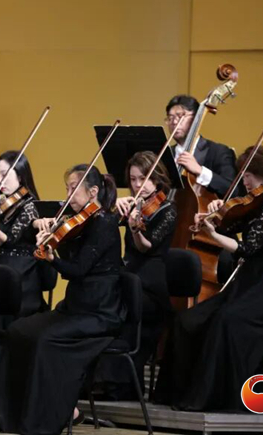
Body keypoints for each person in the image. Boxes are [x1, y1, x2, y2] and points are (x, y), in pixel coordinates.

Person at [0, 164, 122, 435]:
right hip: (74, 308)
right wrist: (46, 236)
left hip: (99, 312)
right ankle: (5, 418)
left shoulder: (105, 223)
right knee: (18, 330)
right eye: (67, 188)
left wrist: (52, 257)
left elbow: (78, 270)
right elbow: (56, 250)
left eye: (73, 188)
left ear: (92, 192)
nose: (67, 195)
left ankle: (41, 421)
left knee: (45, 340)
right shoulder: (77, 221)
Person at [154, 147, 263, 411]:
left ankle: (215, 398)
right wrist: (214, 215)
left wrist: (212, 234)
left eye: (248, 175)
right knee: (187, 321)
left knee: (225, 321)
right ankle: (174, 393)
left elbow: (246, 247)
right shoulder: (259, 201)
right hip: (248, 284)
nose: (244, 181)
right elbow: (232, 225)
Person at [100, 151, 177, 398]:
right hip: (129, 276)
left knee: (122, 305)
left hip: (151, 286)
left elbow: (146, 246)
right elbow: (105, 231)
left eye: (143, 178)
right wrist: (114, 209)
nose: (137, 185)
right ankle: (101, 379)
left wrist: (134, 228)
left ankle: (121, 384)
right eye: (133, 179)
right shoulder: (133, 205)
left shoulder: (168, 210)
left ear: (157, 178)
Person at [0, 151, 41, 315]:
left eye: (4, 175)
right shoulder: (1, 203)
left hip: (22, 276)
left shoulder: (30, 206)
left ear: (20, 175)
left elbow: (7, 241)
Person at [166, 94, 237, 197]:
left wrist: (200, 170)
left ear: (195, 118)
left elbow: (234, 191)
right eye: (170, 118)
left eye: (180, 116)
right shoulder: (165, 154)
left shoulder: (218, 152)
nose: (174, 122)